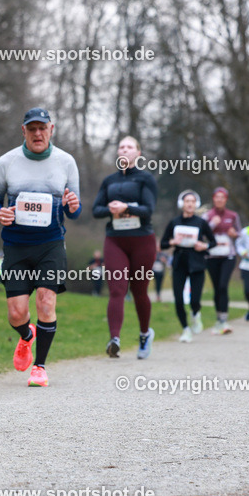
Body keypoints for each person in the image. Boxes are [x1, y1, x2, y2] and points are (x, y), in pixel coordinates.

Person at [0, 107, 81, 386]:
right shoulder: (7, 161)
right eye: (32, 129)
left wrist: (74, 206)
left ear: (52, 130)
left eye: (43, 128)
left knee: (46, 300)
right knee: (16, 313)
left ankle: (39, 366)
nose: (38, 133)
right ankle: (27, 335)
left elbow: (75, 209)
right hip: (15, 245)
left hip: (50, 244)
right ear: (23, 131)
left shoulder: (66, 161)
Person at [92, 136, 158, 358]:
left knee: (139, 292)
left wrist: (126, 206)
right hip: (115, 240)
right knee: (117, 289)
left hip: (142, 240)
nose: (125, 150)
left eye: (130, 147)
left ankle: (144, 334)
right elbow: (96, 210)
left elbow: (149, 209)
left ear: (138, 154)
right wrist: (112, 210)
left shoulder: (145, 178)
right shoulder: (109, 180)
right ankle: (115, 339)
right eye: (121, 147)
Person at [160, 190, 215, 342]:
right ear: (181, 204)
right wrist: (173, 242)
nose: (189, 204)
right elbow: (163, 243)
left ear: (195, 204)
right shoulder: (174, 222)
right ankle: (185, 329)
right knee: (178, 300)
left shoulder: (201, 223)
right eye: (186, 201)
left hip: (197, 263)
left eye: (192, 201)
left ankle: (196, 314)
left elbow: (213, 242)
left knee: (194, 300)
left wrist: (203, 246)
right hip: (179, 263)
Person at [204, 187, 241, 334]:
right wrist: (212, 224)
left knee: (223, 286)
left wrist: (234, 234)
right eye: (217, 197)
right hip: (212, 256)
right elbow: (201, 234)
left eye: (222, 197)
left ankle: (224, 320)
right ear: (213, 199)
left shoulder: (232, 215)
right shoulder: (207, 215)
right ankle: (219, 318)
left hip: (228, 256)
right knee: (216, 287)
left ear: (226, 199)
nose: (219, 200)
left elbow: (240, 233)